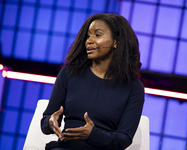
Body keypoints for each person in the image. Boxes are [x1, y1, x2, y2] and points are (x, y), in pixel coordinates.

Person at [41, 13, 144, 150]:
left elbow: (124, 139)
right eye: (88, 36)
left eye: (98, 35)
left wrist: (92, 134)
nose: (89, 41)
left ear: (116, 41)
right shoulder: (69, 72)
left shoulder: (133, 87)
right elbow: (46, 121)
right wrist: (50, 122)